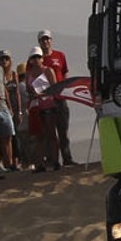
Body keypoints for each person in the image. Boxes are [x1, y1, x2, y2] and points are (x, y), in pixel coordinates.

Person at [36, 32, 76, 166]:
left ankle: (67, 158)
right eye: (42, 40)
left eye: (47, 39)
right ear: (39, 42)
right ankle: (53, 160)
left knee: (63, 129)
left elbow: (65, 72)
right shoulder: (38, 59)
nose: (45, 42)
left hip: (60, 97)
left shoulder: (60, 55)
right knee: (49, 132)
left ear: (51, 40)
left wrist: (64, 89)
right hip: (46, 101)